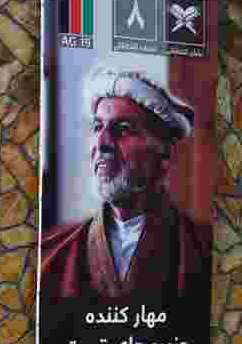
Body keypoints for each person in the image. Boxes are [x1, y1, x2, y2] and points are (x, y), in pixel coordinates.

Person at [39, 65, 211, 302]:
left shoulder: (207, 253)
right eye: (98, 126)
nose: (102, 143)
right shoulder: (48, 256)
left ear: (164, 155)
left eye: (123, 129)